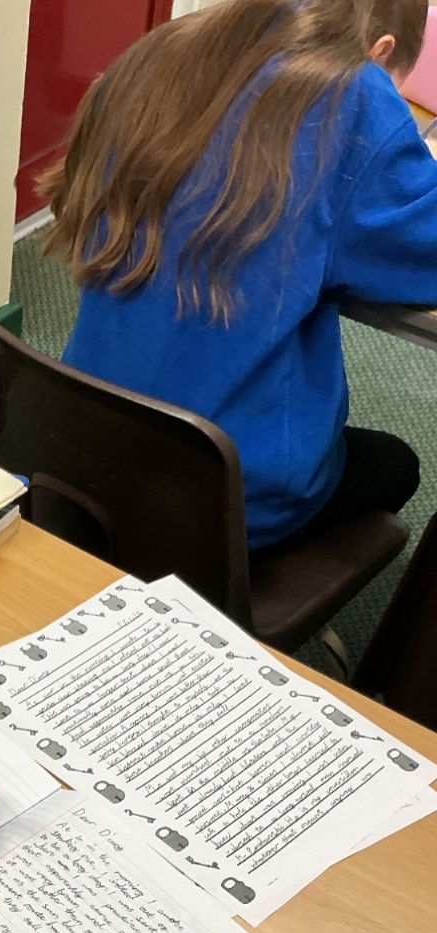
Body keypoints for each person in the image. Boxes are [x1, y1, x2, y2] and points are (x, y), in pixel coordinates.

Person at [46, 0, 437, 551]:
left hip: (73, 443)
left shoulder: (166, 49)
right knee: (395, 464)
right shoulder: (353, 97)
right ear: (379, 52)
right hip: (219, 491)